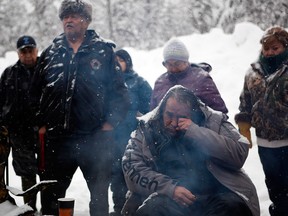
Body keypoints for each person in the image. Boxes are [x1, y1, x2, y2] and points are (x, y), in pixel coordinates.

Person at [29, 0, 130, 215]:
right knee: (51, 195)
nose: (69, 20)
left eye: (74, 16)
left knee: (99, 196)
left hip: (93, 139)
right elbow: (34, 93)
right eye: (65, 16)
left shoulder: (103, 52)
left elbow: (120, 94)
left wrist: (109, 123)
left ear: (86, 21)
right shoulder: (50, 54)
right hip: (57, 140)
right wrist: (40, 123)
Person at [122, 85, 260, 216]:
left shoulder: (213, 120)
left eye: (182, 117)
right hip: (170, 197)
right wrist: (170, 189)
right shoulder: (146, 128)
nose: (174, 123)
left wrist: (196, 132)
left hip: (217, 193)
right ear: (162, 110)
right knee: (151, 211)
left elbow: (239, 153)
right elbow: (131, 167)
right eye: (169, 115)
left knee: (233, 208)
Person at [235, 26, 288, 216]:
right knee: (274, 183)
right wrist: (244, 127)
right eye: (267, 49)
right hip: (266, 143)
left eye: (275, 48)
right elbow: (245, 103)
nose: (270, 52)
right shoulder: (253, 73)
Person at [109, 49, 152, 216]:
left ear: (128, 62)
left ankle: (133, 210)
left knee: (134, 175)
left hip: (134, 139)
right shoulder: (108, 84)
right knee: (116, 175)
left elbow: (151, 109)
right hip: (112, 139)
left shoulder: (139, 82)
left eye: (121, 60)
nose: (117, 63)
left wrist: (142, 117)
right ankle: (118, 208)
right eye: (114, 60)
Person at [0, 35, 39, 212]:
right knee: (25, 171)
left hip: (42, 131)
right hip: (16, 131)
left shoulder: (45, 71)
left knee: (44, 173)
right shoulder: (9, 73)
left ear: (36, 50)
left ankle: (40, 206)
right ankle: (26, 208)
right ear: (18, 53)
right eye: (23, 51)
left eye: (30, 50)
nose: (27, 55)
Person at [150, 38, 228, 114]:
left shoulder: (201, 79)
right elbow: (153, 115)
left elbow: (220, 113)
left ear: (186, 61)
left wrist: (196, 125)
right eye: (168, 64)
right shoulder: (160, 83)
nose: (173, 68)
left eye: (177, 64)